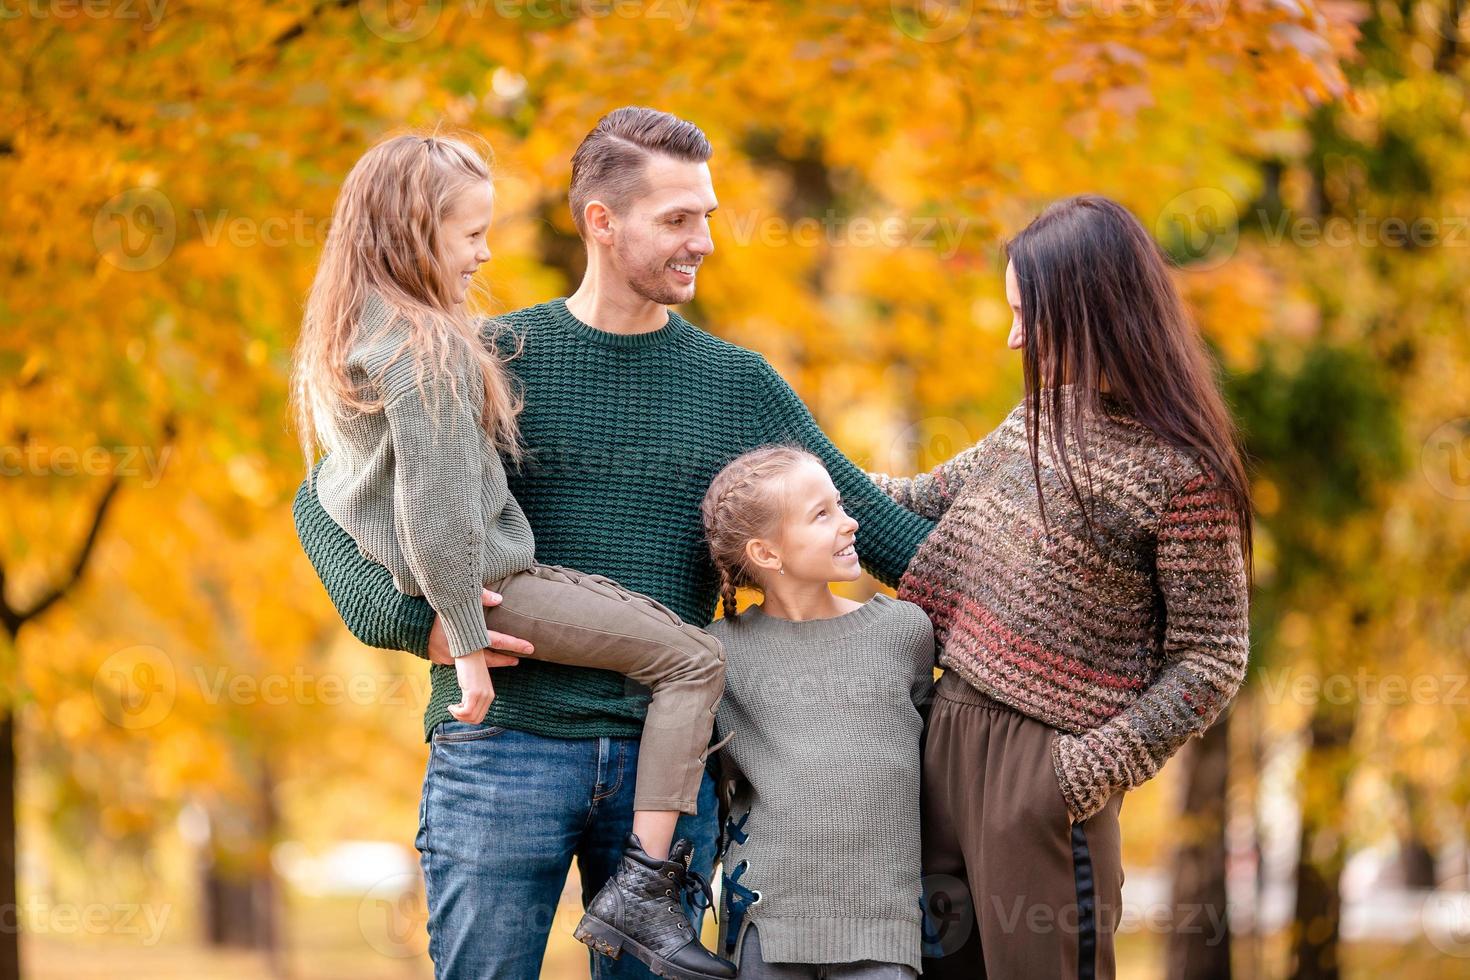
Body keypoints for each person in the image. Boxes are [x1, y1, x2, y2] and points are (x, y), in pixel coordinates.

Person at [289, 107, 935, 980]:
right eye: (678, 218)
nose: (704, 239)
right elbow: (322, 498)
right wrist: (413, 626)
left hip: (661, 776)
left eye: (707, 214)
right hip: (502, 749)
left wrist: (1031, 603)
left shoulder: (736, 385)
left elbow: (878, 529)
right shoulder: (487, 354)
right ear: (601, 220)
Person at [291, 131, 736, 979]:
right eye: (470, 235)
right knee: (691, 659)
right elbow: (366, 502)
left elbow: (373, 491)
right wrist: (448, 636)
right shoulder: (436, 349)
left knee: (681, 657)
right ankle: (648, 890)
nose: (487, 252)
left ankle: (642, 884)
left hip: (553, 647)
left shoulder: (380, 336)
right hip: (504, 710)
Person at [870, 194, 1252, 979]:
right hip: (944, 741)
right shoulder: (1038, 416)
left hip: (1045, 777)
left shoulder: (1183, 471)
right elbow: (909, 503)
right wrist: (783, 468)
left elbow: (1213, 659)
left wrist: (1080, 775)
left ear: (1092, 309)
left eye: (1027, 314)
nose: (1014, 336)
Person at [700, 445, 935, 979]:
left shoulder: (903, 632)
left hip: (883, 922)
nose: (850, 523)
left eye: (841, 504)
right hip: (765, 920)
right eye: (822, 514)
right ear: (766, 553)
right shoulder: (720, 652)